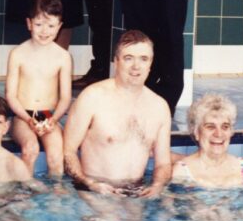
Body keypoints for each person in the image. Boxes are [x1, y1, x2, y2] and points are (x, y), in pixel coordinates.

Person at [63, 30, 171, 197]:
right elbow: (68, 151)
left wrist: (156, 187)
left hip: (137, 192)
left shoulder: (160, 107)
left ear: (150, 64)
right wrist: (89, 183)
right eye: (129, 58)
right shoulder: (92, 97)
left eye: (143, 59)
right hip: (96, 192)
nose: (136, 66)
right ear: (116, 62)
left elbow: (163, 163)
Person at [5, 0, 72, 176]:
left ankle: (55, 197)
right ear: (29, 24)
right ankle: (26, 192)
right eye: (39, 24)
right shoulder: (18, 53)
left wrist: (53, 120)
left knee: (56, 155)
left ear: (59, 27)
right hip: (22, 116)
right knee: (30, 148)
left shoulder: (63, 57)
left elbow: (65, 97)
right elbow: (10, 95)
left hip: (49, 117)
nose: (44, 31)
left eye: (51, 25)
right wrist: (28, 119)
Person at [172, 93, 243, 187]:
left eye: (225, 127)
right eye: (210, 127)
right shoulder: (182, 172)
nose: (218, 134)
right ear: (196, 132)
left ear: (231, 132)